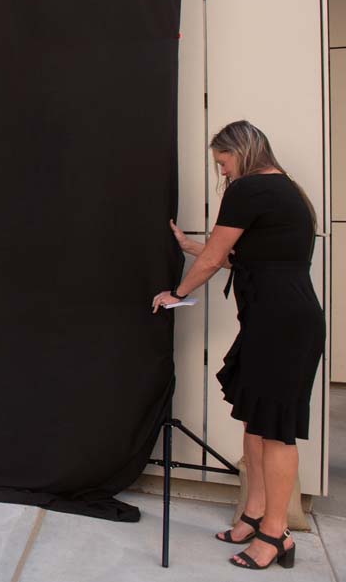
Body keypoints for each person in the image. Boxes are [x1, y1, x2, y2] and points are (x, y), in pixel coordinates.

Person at [152, 121, 324, 571]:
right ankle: (253, 515)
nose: (222, 173)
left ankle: (275, 535)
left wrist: (176, 293)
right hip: (281, 320)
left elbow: (214, 260)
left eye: (222, 164)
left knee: (276, 431)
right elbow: (237, 255)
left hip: (280, 324)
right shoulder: (287, 191)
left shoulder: (247, 190)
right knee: (256, 423)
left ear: (240, 154)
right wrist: (193, 246)